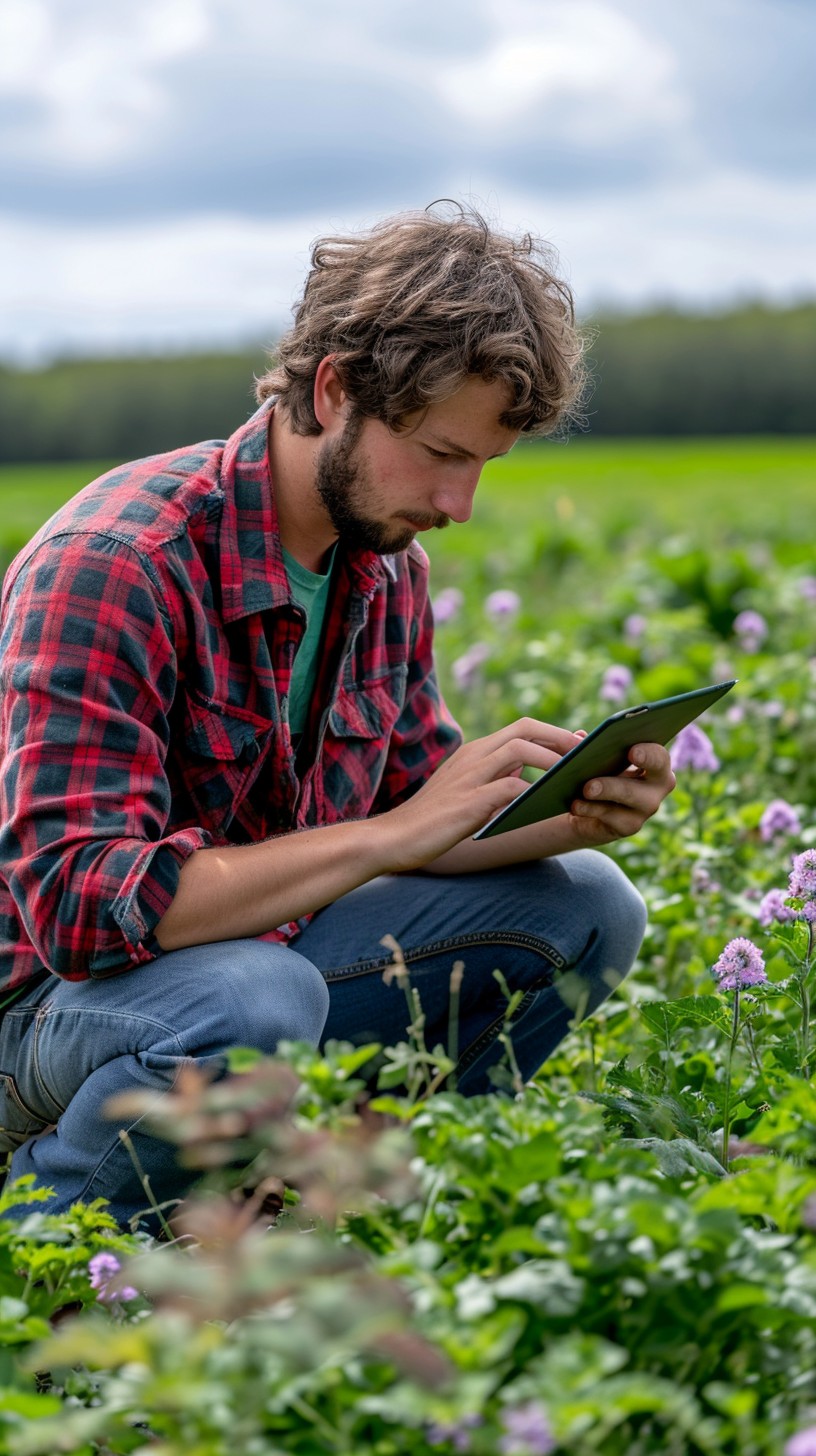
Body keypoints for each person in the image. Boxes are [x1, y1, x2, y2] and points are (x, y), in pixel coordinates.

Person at [0, 205, 675, 1230]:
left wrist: (570, 811)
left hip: (263, 973)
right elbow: (81, 907)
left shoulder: (386, 572)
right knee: (256, 999)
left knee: (590, 904)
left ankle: (328, 1207)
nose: (460, 501)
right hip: (49, 1008)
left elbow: (422, 818)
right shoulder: (117, 562)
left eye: (483, 464)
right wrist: (391, 835)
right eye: (440, 452)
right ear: (334, 391)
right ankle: (52, 1247)